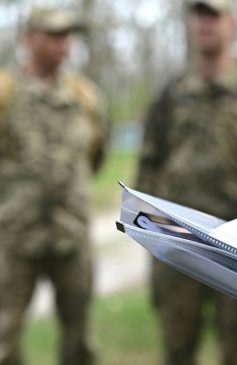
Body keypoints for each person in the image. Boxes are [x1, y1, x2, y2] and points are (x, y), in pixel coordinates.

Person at [135, 1, 237, 364]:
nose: (205, 24)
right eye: (199, 15)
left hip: (232, 247)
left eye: (214, 15)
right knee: (177, 347)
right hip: (175, 243)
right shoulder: (169, 96)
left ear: (232, 24)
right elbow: (149, 166)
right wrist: (150, 230)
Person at [0, 7, 108, 365]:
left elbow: (96, 157)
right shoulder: (5, 93)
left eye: (67, 36)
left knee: (79, 341)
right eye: (53, 34)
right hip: (14, 238)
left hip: (71, 236)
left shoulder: (85, 97)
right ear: (29, 38)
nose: (63, 44)